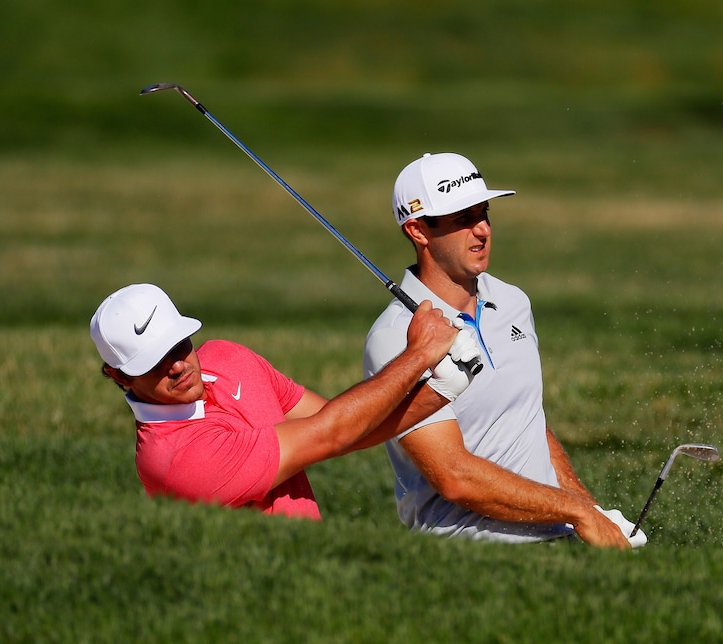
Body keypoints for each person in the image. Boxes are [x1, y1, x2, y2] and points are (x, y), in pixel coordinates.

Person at [364, 153, 646, 548]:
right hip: (468, 555)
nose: (482, 230)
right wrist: (575, 512)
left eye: (484, 213)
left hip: (554, 538)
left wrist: (591, 512)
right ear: (418, 231)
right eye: (462, 219)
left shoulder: (513, 302)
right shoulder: (395, 338)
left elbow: (527, 420)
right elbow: (454, 477)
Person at [91, 282, 480, 519]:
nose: (177, 365)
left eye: (179, 345)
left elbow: (346, 430)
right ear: (118, 376)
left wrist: (443, 386)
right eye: (155, 363)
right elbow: (331, 433)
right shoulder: (176, 458)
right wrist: (419, 355)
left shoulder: (227, 358)